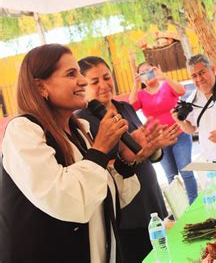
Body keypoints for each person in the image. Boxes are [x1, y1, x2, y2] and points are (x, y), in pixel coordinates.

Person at [0, 44, 160, 262]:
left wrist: (126, 161)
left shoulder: (78, 131)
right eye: (71, 74)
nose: (82, 81)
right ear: (40, 87)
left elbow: (100, 196)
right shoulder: (23, 131)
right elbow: (65, 199)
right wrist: (101, 148)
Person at [77, 56, 179, 263]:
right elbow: (95, 169)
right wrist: (130, 157)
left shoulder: (125, 108)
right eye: (95, 82)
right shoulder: (82, 121)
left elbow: (147, 152)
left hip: (151, 201)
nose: (104, 85)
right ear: (82, 85)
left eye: (107, 77)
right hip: (125, 213)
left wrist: (155, 146)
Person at [130, 61, 198, 204]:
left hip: (180, 134)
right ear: (140, 77)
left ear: (156, 70)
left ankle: (194, 203)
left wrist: (164, 77)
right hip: (159, 141)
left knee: (186, 172)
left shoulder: (167, 85)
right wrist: (135, 85)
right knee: (171, 176)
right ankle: (180, 207)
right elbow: (132, 106)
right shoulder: (141, 94)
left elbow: (181, 91)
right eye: (143, 73)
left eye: (150, 70)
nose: (147, 74)